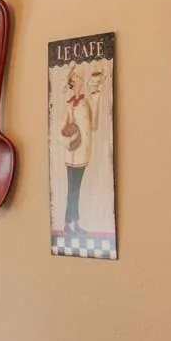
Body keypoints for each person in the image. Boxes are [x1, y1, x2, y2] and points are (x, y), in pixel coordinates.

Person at [59, 65, 99, 235]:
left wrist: (97, 99)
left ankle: (73, 224)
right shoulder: (70, 106)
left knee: (76, 190)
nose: (78, 78)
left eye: (78, 76)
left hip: (83, 153)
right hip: (73, 155)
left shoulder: (85, 103)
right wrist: (70, 139)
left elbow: (94, 126)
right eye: (75, 77)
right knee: (72, 190)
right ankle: (68, 224)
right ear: (72, 83)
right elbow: (61, 131)